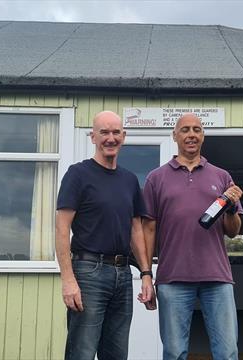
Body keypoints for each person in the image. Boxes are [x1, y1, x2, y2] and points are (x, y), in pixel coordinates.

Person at [142, 113, 243, 360]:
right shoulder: (156, 178)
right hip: (172, 278)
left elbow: (233, 231)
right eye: (185, 129)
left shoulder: (221, 177)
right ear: (174, 135)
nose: (191, 135)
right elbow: (148, 230)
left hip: (217, 278)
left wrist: (230, 206)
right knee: (175, 352)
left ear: (203, 136)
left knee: (227, 352)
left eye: (197, 130)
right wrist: (146, 274)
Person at [55, 111, 154, 360]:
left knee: (117, 354)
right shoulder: (77, 174)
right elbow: (61, 228)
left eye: (116, 132)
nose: (111, 138)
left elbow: (135, 229)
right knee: (82, 352)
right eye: (104, 132)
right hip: (88, 272)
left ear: (124, 136)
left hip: (122, 274)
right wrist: (68, 279)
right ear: (93, 137)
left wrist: (145, 274)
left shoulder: (129, 180)